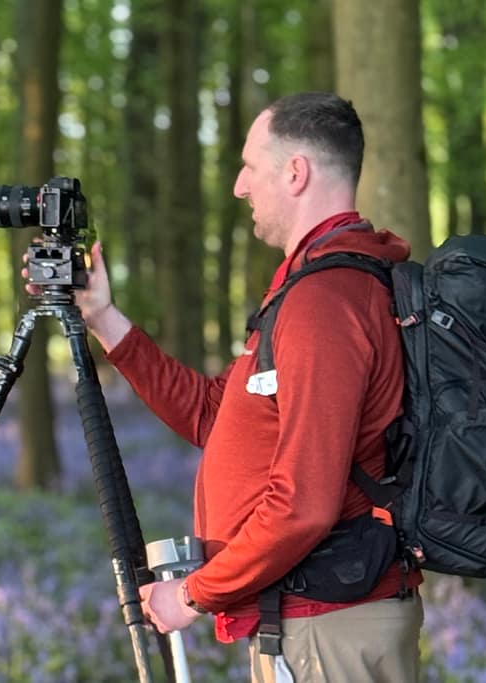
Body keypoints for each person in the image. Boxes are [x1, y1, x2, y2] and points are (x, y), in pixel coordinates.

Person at [26, 92, 424, 682]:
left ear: (296, 173)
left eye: (250, 167)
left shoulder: (326, 301)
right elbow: (218, 415)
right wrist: (105, 319)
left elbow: (304, 505)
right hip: (312, 622)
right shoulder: (310, 287)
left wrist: (192, 595)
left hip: (327, 629)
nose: (240, 186)